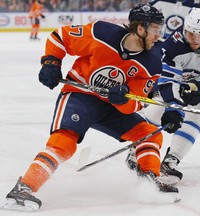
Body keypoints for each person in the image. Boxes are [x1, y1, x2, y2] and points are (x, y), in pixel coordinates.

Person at [4, 4, 180, 210]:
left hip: (112, 107)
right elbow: (60, 37)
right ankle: (24, 188)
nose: (158, 35)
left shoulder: (152, 61)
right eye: (155, 29)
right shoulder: (101, 33)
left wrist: (124, 99)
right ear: (140, 28)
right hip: (81, 96)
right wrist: (51, 63)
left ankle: (149, 184)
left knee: (149, 134)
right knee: (64, 141)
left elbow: (137, 101)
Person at [126, 7, 200, 185]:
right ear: (184, 29)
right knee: (156, 109)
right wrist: (175, 106)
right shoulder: (172, 44)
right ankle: (138, 147)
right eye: (191, 34)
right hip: (176, 82)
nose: (195, 40)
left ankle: (170, 161)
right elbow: (167, 81)